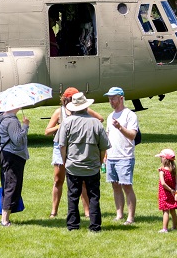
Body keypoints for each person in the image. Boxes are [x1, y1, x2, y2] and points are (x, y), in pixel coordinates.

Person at [45, 87, 105, 218]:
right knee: (58, 180)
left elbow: (100, 119)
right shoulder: (59, 112)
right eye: (70, 98)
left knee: (82, 181)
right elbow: (47, 131)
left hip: (77, 147)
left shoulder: (84, 109)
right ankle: (54, 211)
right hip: (60, 146)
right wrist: (61, 126)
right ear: (66, 99)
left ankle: (87, 211)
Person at [58, 92, 111, 231]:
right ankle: (95, 226)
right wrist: (99, 162)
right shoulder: (96, 123)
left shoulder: (67, 122)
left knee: (73, 196)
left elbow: (62, 145)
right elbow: (103, 147)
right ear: (86, 106)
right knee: (93, 196)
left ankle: (73, 225)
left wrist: (64, 161)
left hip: (73, 166)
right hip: (92, 166)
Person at [104, 86, 139, 224]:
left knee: (126, 186)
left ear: (121, 98)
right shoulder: (110, 116)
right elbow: (107, 136)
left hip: (125, 157)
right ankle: (119, 214)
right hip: (111, 157)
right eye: (109, 98)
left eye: (113, 98)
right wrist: (105, 154)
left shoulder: (130, 115)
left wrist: (120, 127)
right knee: (115, 187)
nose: (111, 101)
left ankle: (130, 217)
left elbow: (132, 135)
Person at [0, 107, 29, 227]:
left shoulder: (2, 118)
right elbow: (18, 140)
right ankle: (4, 219)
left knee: (8, 184)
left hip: (5, 154)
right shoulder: (12, 121)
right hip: (13, 156)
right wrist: (25, 126)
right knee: (12, 185)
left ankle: (4, 213)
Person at [156, 148, 177, 233]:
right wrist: (176, 192)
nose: (160, 159)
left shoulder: (162, 171)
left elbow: (163, 183)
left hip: (165, 194)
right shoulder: (173, 170)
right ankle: (175, 227)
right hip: (173, 194)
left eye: (161, 157)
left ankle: (164, 229)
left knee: (165, 211)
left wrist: (170, 190)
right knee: (173, 211)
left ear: (164, 159)